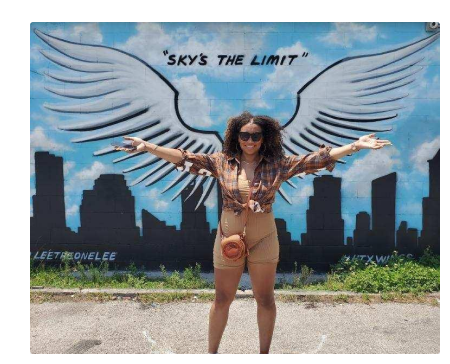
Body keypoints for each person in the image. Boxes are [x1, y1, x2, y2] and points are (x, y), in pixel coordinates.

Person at [115, 111, 392, 354]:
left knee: (265, 298)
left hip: (264, 238)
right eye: (244, 136)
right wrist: (147, 146)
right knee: (222, 298)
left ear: (265, 138)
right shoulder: (221, 162)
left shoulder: (278, 164)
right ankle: (211, 351)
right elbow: (183, 157)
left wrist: (355, 146)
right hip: (228, 238)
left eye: (255, 136)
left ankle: (264, 351)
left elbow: (316, 159)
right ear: (235, 137)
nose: (249, 141)